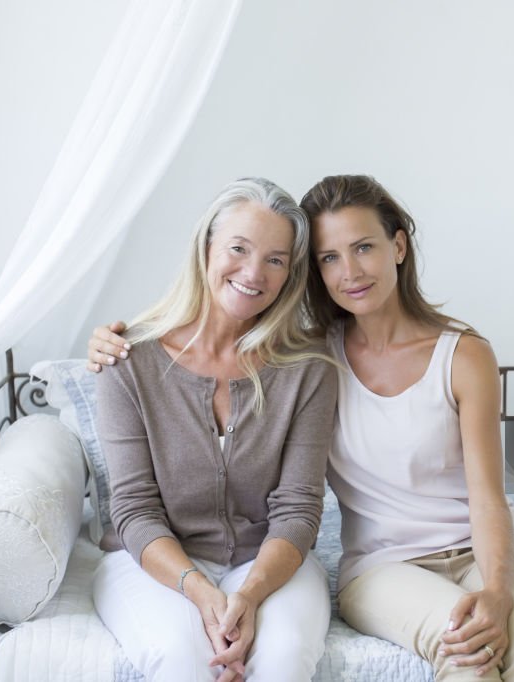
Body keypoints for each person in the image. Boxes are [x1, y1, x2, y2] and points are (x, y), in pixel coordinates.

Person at [89, 175, 514, 681]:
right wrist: (115, 341)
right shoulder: (310, 355)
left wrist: (496, 591)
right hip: (383, 564)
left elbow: (488, 497)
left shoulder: (423, 357)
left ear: (398, 246)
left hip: (470, 549)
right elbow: (135, 502)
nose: (350, 271)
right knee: (466, 655)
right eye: (329, 258)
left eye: (364, 247)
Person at [91, 177, 337, 682]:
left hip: (268, 562)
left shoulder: (308, 370)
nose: (253, 272)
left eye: (275, 259)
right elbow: (134, 508)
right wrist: (201, 592)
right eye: (238, 249)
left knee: (286, 655)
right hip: (152, 565)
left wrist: (245, 596)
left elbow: (298, 508)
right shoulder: (128, 360)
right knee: (181, 658)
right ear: (206, 248)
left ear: (290, 274)